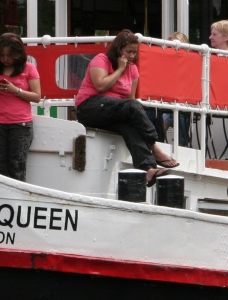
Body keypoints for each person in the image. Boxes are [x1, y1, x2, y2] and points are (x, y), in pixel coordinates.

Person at [74, 30, 179, 185]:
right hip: (89, 107)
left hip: (112, 111)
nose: (132, 56)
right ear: (118, 50)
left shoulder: (133, 70)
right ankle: (154, 146)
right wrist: (120, 69)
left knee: (128, 127)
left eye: (134, 52)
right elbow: (100, 85)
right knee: (133, 106)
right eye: (129, 52)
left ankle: (148, 168)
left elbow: (129, 100)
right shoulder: (101, 60)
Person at [0, 33, 41, 182]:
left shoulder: (29, 68)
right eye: (2, 55)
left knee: (17, 166)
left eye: (9, 55)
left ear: (17, 54)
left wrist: (16, 90)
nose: (5, 59)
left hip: (21, 124)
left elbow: (37, 97)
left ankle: (16, 201)